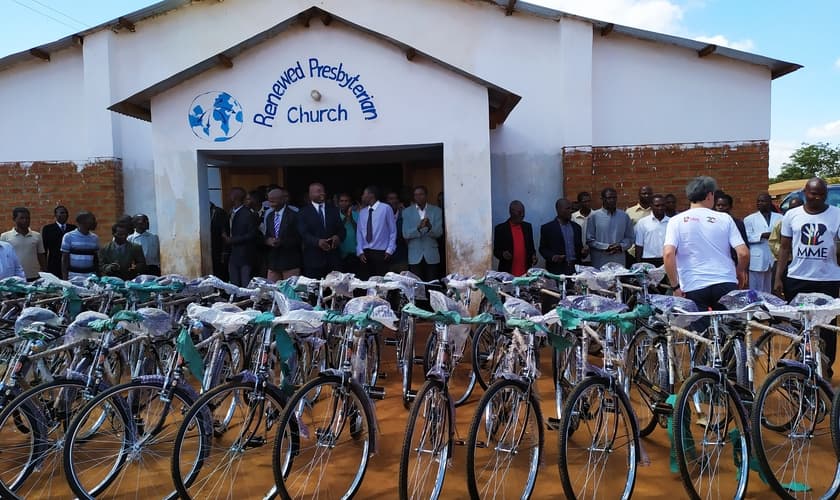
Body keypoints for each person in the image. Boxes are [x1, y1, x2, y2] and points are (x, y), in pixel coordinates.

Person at [774, 177, 840, 378]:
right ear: (805, 192)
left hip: (827, 279)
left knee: (826, 327)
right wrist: (778, 278)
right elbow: (785, 248)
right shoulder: (791, 215)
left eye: (821, 194)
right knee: (799, 325)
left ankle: (825, 367)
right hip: (797, 278)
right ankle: (800, 366)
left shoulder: (837, 215)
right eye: (813, 193)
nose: (817, 198)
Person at [664, 176, 748, 311]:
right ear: (710, 195)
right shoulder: (725, 218)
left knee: (698, 331)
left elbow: (668, 254)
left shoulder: (675, 221)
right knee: (729, 329)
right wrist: (739, 272)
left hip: (693, 285)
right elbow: (743, 253)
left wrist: (675, 287)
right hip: (725, 282)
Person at [298, 182, 345, 279]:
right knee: (315, 291)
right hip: (313, 260)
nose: (322, 193)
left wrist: (338, 237)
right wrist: (317, 242)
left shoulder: (333, 210)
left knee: (336, 291)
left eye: (323, 191)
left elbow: (342, 230)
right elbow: (303, 233)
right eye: (319, 191)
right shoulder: (303, 212)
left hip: (333, 260)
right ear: (310, 194)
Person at [402, 185, 444, 282]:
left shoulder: (436, 211)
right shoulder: (407, 212)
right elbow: (405, 234)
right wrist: (418, 228)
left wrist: (429, 227)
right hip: (414, 255)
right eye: (416, 195)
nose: (418, 197)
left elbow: (439, 233)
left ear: (426, 195)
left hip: (431, 254)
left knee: (432, 284)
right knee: (417, 286)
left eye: (421, 194)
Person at [743, 193, 782, 293]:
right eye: (758, 201)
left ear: (769, 202)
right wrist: (761, 236)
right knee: (755, 289)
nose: (760, 203)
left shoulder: (780, 217)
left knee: (768, 289)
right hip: (757, 258)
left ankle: (767, 307)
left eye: (763, 201)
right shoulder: (749, 219)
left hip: (772, 257)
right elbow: (747, 237)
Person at [586, 188, 634, 268]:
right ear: (602, 199)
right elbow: (590, 240)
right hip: (600, 261)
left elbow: (630, 238)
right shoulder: (594, 216)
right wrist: (606, 247)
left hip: (619, 260)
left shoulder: (624, 216)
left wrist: (620, 246)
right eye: (609, 198)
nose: (612, 200)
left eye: (614, 198)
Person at [356, 186, 397, 279]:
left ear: (371, 195)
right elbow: (359, 233)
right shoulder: (362, 212)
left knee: (381, 284)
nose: (362, 197)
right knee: (366, 283)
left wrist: (390, 249)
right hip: (365, 254)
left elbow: (393, 230)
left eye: (364, 194)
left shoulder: (386, 208)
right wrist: (360, 251)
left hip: (381, 252)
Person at [223, 187, 260, 286]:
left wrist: (232, 240)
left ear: (234, 198)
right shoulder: (230, 213)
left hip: (245, 255)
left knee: (245, 284)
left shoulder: (247, 214)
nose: (226, 198)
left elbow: (252, 234)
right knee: (234, 283)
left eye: (229, 195)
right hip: (232, 254)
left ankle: (246, 301)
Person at [263, 187, 301, 281]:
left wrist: (282, 242)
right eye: (269, 199)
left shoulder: (294, 216)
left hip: (290, 262)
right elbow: (267, 234)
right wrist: (268, 240)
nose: (270, 200)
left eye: (274, 198)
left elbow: (299, 237)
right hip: (273, 262)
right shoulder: (269, 216)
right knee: (272, 292)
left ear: (283, 199)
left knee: (289, 293)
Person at [539, 198, 584, 275]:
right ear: (558, 210)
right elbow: (542, 249)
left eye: (571, 208)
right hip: (557, 270)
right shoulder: (547, 228)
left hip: (575, 269)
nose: (570, 211)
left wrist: (584, 252)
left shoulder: (577, 228)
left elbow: (579, 250)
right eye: (567, 208)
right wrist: (553, 257)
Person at [1, 207, 45, 281]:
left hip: (35, 276)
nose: (25, 220)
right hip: (15, 278)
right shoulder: (5, 236)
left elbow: (41, 256)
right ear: (14, 219)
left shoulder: (36, 236)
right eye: (21, 218)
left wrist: (45, 272)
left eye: (27, 218)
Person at [493, 200, 536, 276]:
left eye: (523, 212)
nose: (522, 215)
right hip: (508, 273)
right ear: (511, 212)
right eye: (519, 212)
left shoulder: (527, 227)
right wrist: (503, 254)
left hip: (526, 274)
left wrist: (533, 257)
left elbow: (531, 249)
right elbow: (496, 251)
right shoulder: (501, 229)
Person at [61, 211, 100, 280]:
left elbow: (96, 260)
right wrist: (65, 279)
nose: (95, 222)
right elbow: (65, 260)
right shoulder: (68, 236)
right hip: (73, 277)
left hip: (90, 278)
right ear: (82, 222)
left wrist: (98, 276)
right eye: (92, 220)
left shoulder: (95, 238)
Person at [634, 194, 670, 267]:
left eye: (662, 205)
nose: (660, 208)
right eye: (657, 205)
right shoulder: (643, 222)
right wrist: (638, 264)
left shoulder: (672, 222)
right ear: (651, 206)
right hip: (648, 260)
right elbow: (639, 245)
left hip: (667, 259)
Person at [714, 191, 749, 263]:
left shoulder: (737, 223)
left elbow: (744, 245)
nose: (720, 207)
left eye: (724, 205)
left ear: (730, 207)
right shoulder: (711, 223)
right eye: (718, 205)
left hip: (733, 261)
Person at [41, 205, 76, 277]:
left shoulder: (73, 229)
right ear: (55, 215)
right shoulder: (48, 229)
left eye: (66, 213)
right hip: (54, 264)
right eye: (61, 213)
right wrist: (44, 267)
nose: (64, 215)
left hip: (70, 264)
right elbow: (44, 248)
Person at [386, 190, 408, 273]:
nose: (393, 201)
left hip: (402, 257)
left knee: (402, 283)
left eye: (395, 198)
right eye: (391, 199)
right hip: (386, 257)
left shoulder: (405, 215)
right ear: (386, 201)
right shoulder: (382, 216)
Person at [337, 193, 359, 275]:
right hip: (341, 254)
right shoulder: (335, 215)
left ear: (350, 203)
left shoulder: (357, 214)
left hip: (355, 253)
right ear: (338, 203)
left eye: (346, 201)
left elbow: (359, 231)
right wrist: (346, 217)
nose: (344, 203)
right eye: (341, 201)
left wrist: (352, 218)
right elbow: (337, 230)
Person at [209, 202, 229, 280]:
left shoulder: (219, 212)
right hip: (209, 247)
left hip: (218, 246)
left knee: (220, 270)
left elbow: (224, 231)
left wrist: (225, 250)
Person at [572, 192, 593, 264]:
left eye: (589, 201)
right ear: (580, 203)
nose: (588, 204)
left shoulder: (596, 215)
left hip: (593, 253)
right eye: (585, 202)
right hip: (579, 254)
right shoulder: (573, 217)